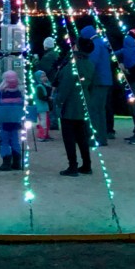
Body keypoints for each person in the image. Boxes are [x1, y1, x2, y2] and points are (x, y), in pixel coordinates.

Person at [53, 36, 95, 176]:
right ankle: (87, 164)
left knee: (69, 137)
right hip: (83, 102)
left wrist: (58, 101)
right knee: (81, 135)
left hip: (70, 105)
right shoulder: (89, 64)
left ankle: (73, 166)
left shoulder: (72, 65)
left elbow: (65, 86)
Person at [80, 24, 112, 146]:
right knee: (100, 110)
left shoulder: (95, 44)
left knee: (93, 109)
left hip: (98, 80)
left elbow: (92, 62)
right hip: (105, 80)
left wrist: (84, 75)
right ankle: (102, 137)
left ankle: (96, 138)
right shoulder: (101, 43)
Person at [0, 69, 24, 171]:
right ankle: (17, 163)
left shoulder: (1, 92)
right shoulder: (19, 92)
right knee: (15, 140)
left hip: (4, 120)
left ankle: (6, 163)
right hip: (16, 121)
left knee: (4, 141)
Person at [32, 70, 54, 141]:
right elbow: (41, 96)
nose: (44, 78)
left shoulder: (46, 85)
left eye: (45, 76)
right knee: (43, 122)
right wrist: (48, 98)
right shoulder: (39, 87)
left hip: (45, 107)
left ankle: (46, 134)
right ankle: (42, 135)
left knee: (47, 121)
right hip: (41, 107)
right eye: (42, 77)